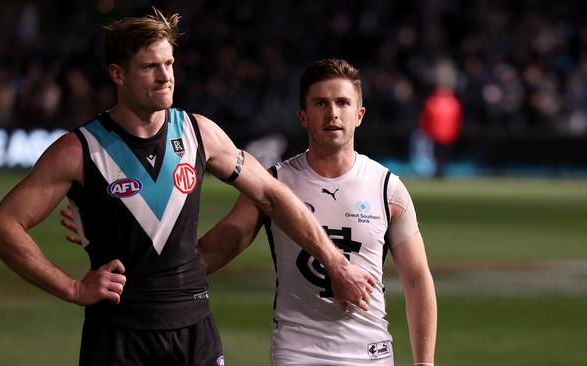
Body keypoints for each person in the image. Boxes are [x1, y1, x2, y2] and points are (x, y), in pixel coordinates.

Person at [0, 9, 375, 366]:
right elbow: (2, 228)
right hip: (118, 335)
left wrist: (336, 264)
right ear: (118, 74)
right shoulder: (79, 150)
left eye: (169, 63)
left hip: (194, 330)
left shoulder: (200, 133)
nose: (165, 75)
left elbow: (272, 195)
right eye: (150, 66)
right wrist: (71, 287)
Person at [63, 58, 438, 365]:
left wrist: (424, 364)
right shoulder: (276, 184)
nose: (332, 113)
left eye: (342, 103)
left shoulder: (388, 188)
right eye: (320, 103)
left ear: (360, 114)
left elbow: (418, 279)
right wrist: (120, 235)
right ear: (302, 116)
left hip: (371, 352)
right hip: (298, 351)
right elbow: (212, 251)